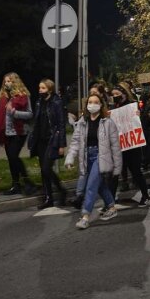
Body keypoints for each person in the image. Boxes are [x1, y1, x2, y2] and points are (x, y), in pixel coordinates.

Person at [65, 93, 121, 229]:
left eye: (96, 102)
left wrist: (117, 167)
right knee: (100, 186)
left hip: (101, 157)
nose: (92, 105)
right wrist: (70, 157)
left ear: (101, 105)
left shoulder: (108, 123)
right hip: (87, 158)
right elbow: (75, 142)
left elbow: (115, 146)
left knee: (90, 186)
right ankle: (112, 207)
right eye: (90, 102)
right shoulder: (82, 122)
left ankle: (85, 216)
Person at [0, 72, 38, 196]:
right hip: (6, 132)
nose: (7, 84)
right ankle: (15, 185)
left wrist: (14, 112)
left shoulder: (23, 96)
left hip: (19, 131)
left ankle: (28, 183)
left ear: (16, 82)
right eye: (5, 81)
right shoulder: (4, 97)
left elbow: (30, 114)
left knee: (14, 157)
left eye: (10, 81)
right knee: (11, 160)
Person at [110, 83, 150, 206]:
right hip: (119, 146)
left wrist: (139, 116)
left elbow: (141, 124)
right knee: (115, 173)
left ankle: (146, 196)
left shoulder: (132, 105)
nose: (115, 96)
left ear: (124, 93)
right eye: (113, 95)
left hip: (132, 146)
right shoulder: (113, 108)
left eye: (117, 94)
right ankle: (110, 200)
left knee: (136, 171)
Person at [28, 78, 68, 209]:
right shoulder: (39, 102)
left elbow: (61, 124)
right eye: (39, 88)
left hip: (52, 140)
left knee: (46, 168)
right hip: (40, 141)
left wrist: (62, 144)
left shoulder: (57, 102)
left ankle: (61, 191)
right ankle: (49, 197)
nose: (40, 91)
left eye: (43, 88)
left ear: (50, 89)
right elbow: (36, 122)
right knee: (44, 171)